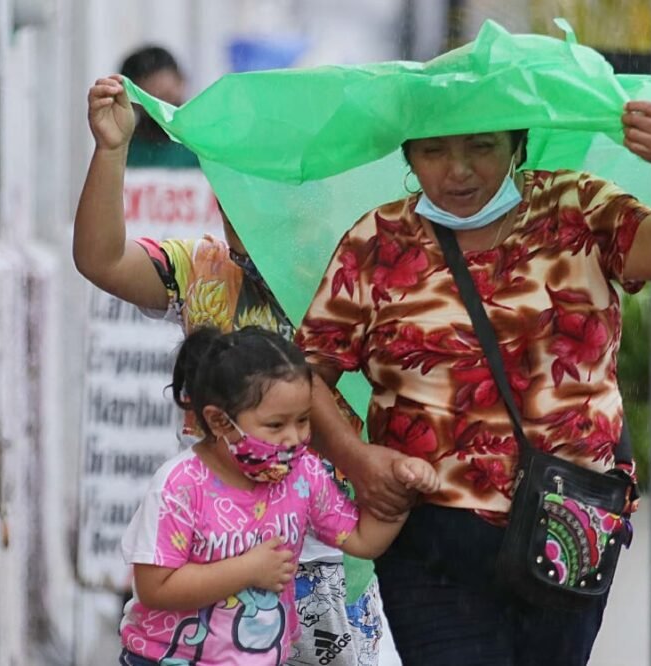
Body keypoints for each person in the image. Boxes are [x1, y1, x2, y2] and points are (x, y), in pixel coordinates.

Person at [296, 108, 651, 665]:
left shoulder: (577, 208)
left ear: (517, 143)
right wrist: (360, 460)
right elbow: (304, 376)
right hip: (429, 537)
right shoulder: (378, 241)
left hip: (571, 522)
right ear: (408, 156)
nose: (457, 171)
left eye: (481, 147)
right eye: (434, 151)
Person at [75, 74, 391, 666]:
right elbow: (101, 259)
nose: (247, 211)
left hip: (331, 550)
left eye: (272, 191)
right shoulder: (201, 269)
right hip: (210, 552)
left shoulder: (359, 278)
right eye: (234, 191)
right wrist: (111, 150)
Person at [118, 326, 439, 665]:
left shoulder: (302, 475)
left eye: (302, 420)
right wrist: (248, 570)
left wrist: (402, 492)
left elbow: (361, 539)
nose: (294, 438)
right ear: (219, 421)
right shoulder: (179, 487)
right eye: (275, 425)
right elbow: (155, 587)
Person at [119, 45, 200, 168]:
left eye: (168, 96)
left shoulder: (205, 142)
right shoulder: (122, 149)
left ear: (182, 82)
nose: (164, 112)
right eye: (152, 103)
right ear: (130, 100)